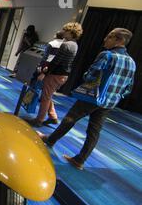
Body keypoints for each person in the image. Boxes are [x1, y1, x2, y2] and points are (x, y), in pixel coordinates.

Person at [39, 28, 136, 170]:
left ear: (119, 40)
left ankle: (50, 140)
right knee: (94, 131)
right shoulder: (132, 62)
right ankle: (80, 160)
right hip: (109, 102)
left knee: (70, 119)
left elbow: (89, 76)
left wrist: (87, 77)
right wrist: (114, 97)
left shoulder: (107, 55)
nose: (105, 39)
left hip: (91, 98)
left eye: (109, 37)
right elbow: (128, 87)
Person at [26, 22, 83, 127]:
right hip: (63, 75)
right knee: (48, 95)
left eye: (65, 30)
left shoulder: (66, 44)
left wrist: (45, 72)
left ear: (71, 32)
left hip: (55, 74)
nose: (63, 32)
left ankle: (39, 120)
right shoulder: (75, 45)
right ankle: (53, 116)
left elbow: (56, 61)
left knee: (45, 97)